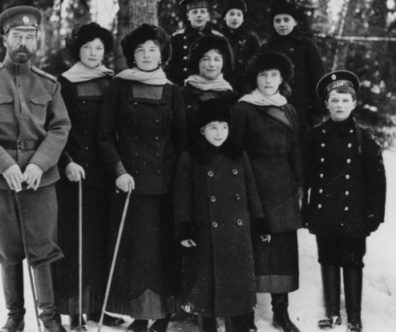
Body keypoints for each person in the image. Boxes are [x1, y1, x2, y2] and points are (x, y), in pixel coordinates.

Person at [0, 6, 71, 332]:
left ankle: (50, 320)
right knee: (7, 250)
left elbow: (59, 128)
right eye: (17, 36)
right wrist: (5, 165)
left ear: (37, 40)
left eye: (29, 36)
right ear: (5, 40)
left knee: (43, 249)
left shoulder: (49, 84)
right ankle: (15, 318)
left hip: (41, 179)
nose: (23, 42)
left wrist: (39, 164)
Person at [98, 24, 186, 332]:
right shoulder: (119, 87)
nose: (147, 55)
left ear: (162, 54)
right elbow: (105, 137)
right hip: (129, 185)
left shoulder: (173, 90)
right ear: (131, 56)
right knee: (135, 252)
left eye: (152, 50)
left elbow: (181, 141)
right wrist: (119, 171)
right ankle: (138, 314)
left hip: (163, 186)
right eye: (140, 50)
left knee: (162, 251)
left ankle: (161, 315)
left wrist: (174, 179)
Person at [173, 98, 267, 332]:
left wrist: (259, 221)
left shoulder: (238, 155)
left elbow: (251, 191)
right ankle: (209, 327)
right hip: (206, 233)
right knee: (208, 290)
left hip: (238, 233)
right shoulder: (190, 158)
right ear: (202, 129)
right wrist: (184, 227)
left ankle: (241, 326)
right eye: (213, 127)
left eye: (224, 127)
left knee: (238, 288)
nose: (219, 133)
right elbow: (182, 198)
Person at [53, 22, 124, 329]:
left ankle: (98, 307)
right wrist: (66, 161)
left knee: (101, 240)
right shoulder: (65, 82)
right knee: (76, 241)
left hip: (106, 173)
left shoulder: (113, 81)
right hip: (75, 174)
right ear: (77, 51)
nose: (94, 54)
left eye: (99, 48)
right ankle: (74, 311)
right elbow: (55, 127)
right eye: (87, 48)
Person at [304, 70, 386, 332]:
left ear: (353, 104)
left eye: (344, 100)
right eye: (334, 100)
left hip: (354, 213)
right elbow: (307, 176)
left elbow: (377, 181)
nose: (339, 105)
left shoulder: (364, 137)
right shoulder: (316, 135)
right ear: (326, 104)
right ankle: (331, 313)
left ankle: (354, 317)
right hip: (325, 210)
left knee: (352, 261)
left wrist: (374, 215)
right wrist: (306, 209)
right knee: (327, 258)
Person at [231, 51, 303, 332]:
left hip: (283, 189)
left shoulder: (289, 109)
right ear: (255, 78)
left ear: (282, 78)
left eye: (274, 75)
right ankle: (245, 316)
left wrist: (299, 184)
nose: (269, 80)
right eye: (263, 75)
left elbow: (295, 150)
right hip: (254, 184)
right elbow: (235, 151)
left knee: (282, 252)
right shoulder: (243, 108)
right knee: (253, 250)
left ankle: (280, 313)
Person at [261, 0, 324, 128]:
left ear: (295, 22)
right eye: (277, 20)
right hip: (272, 106)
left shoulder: (307, 46)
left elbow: (318, 77)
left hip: (301, 107)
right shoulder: (267, 47)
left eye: (286, 19)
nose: (282, 24)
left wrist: (317, 110)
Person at [183, 34, 238, 149]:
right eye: (206, 59)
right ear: (197, 61)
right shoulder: (183, 93)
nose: (212, 64)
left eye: (217, 59)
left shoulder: (231, 96)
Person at [166, 0, 231, 86]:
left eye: (202, 12)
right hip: (183, 89)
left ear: (208, 16)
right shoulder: (177, 39)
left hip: (213, 88)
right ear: (188, 16)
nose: (199, 15)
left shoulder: (219, 39)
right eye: (194, 12)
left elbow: (228, 68)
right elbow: (170, 69)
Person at [220, 0, 259, 95]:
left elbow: (257, 64)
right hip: (221, 85)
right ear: (225, 17)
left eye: (239, 15)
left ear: (243, 18)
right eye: (231, 14)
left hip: (244, 87)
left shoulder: (251, 39)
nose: (235, 18)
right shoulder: (218, 37)